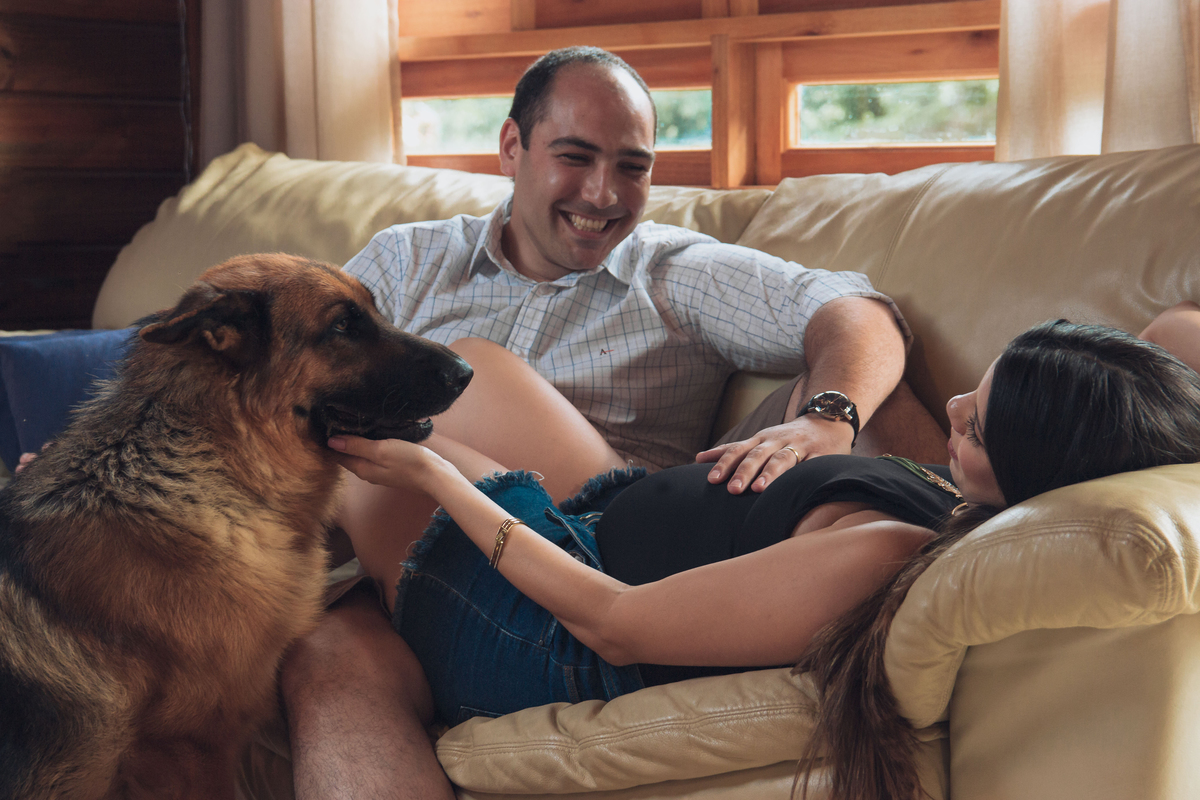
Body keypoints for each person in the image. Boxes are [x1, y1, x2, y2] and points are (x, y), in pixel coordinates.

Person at [282, 45, 944, 798]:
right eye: (575, 156)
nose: (603, 194)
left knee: (463, 372)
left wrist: (829, 418)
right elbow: (290, 402)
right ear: (512, 146)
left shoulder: (670, 273)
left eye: (633, 167)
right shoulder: (405, 262)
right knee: (323, 656)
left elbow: (855, 311)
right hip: (407, 558)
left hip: (591, 541)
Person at [326, 320, 1200, 800]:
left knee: (356, 444)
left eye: (976, 424)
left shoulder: (890, 551)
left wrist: (438, 480)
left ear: (1031, 469)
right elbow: (1178, 333)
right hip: (593, 526)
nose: (956, 405)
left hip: (547, 630)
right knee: (471, 367)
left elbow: (614, 625)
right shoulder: (978, 500)